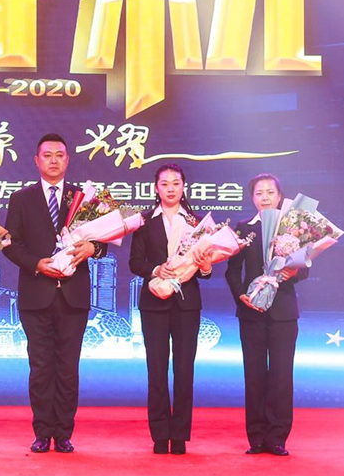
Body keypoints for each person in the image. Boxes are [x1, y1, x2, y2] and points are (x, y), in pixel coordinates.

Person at [3, 133, 107, 454]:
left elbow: (103, 241)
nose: (53, 160)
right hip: (36, 295)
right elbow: (10, 245)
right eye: (47, 155)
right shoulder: (21, 199)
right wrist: (36, 264)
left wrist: (93, 248)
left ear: (68, 160)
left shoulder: (84, 199)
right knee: (40, 367)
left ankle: (63, 433)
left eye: (59, 155)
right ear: (37, 160)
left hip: (73, 296)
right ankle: (41, 432)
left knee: (68, 368)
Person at [128, 164, 212, 456]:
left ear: (184, 187)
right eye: (165, 184)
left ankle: (179, 435)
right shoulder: (144, 222)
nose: (171, 188)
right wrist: (156, 270)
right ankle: (159, 434)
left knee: (184, 370)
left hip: (187, 304)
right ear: (156, 188)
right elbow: (134, 262)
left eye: (176, 183)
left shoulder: (197, 223)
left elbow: (206, 272)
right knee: (156, 370)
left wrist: (205, 266)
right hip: (154, 303)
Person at [225, 173, 308, 457]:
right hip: (252, 312)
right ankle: (257, 436)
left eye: (270, 192)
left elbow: (304, 269)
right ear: (252, 198)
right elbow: (232, 271)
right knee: (255, 375)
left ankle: (277, 437)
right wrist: (241, 295)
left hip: (284, 313)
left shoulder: (292, 229)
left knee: (282, 376)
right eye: (259, 193)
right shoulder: (243, 228)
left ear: (280, 196)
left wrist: (292, 273)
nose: (265, 197)